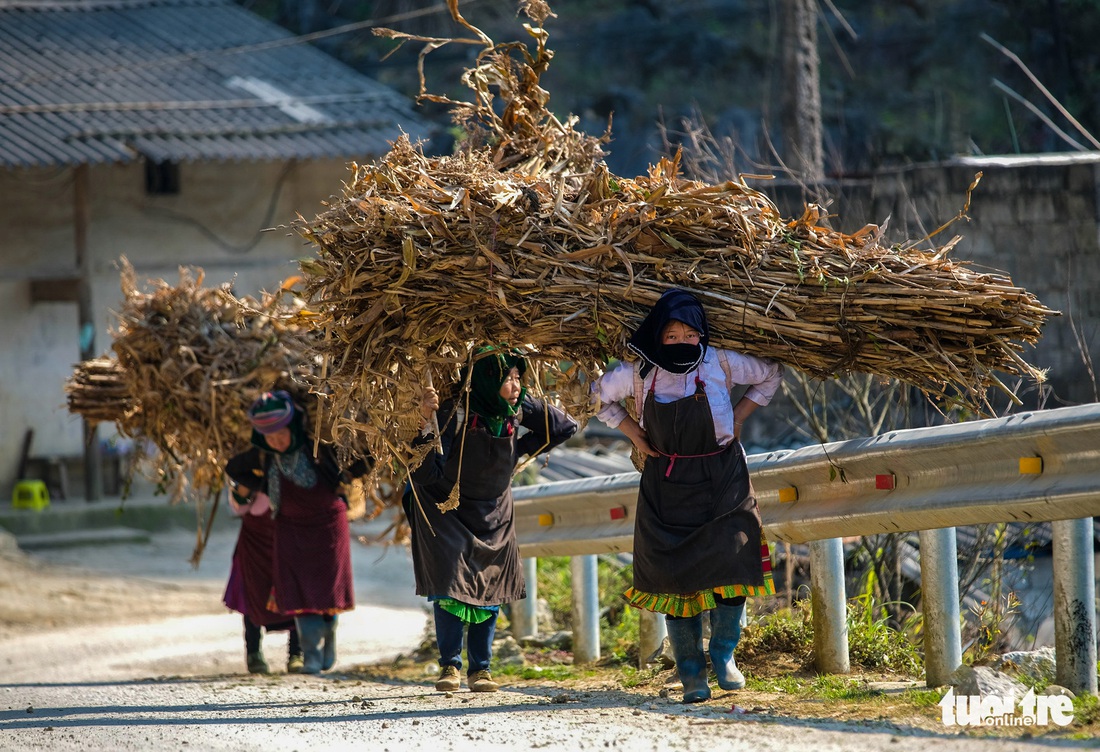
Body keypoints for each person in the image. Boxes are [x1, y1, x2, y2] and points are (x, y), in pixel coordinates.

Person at [591, 289, 784, 703]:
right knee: (673, 579)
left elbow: (770, 373)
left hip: (724, 476)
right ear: (658, 338)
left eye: (689, 335)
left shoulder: (722, 362)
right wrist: (633, 433)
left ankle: (724, 654)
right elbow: (596, 397)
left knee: (735, 562)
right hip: (667, 483)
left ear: (703, 335)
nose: (681, 343)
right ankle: (691, 672)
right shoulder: (639, 373)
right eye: (671, 337)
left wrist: (739, 415)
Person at [407, 347, 578, 693]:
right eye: (507, 378)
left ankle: (481, 671)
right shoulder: (456, 411)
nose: (515, 385)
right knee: (451, 586)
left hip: (494, 512)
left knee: (491, 587)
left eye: (518, 377)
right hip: (447, 509)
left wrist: (523, 447)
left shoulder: (517, 410)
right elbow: (425, 473)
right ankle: (450, 667)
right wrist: (425, 423)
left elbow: (564, 426)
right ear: (485, 380)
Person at [225, 390, 368, 674]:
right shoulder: (264, 456)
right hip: (289, 529)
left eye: (281, 434)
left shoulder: (320, 449)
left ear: (293, 427)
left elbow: (365, 458)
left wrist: (346, 478)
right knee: (298, 592)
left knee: (327, 593)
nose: (276, 441)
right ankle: (311, 656)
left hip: (327, 527)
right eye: (269, 436)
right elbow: (233, 468)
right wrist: (259, 486)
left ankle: (328, 640)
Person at [222, 489, 303, 674]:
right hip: (255, 544)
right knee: (253, 592)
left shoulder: (297, 467)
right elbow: (237, 506)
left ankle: (297, 653)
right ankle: (253, 654)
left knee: (294, 592)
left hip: (289, 540)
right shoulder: (249, 470)